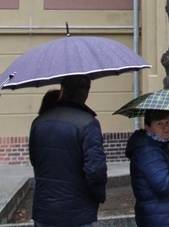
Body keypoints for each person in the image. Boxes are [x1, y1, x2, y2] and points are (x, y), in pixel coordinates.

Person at [29, 75, 107, 227]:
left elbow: (34, 160)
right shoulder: (88, 123)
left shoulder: (39, 122)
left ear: (62, 90)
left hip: (44, 208)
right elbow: (96, 170)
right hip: (77, 211)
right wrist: (98, 196)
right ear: (86, 93)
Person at [125, 109, 169, 226]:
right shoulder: (147, 150)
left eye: (168, 122)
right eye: (159, 123)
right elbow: (165, 185)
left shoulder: (159, 146)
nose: (166, 127)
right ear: (147, 127)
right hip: (160, 217)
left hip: (166, 213)